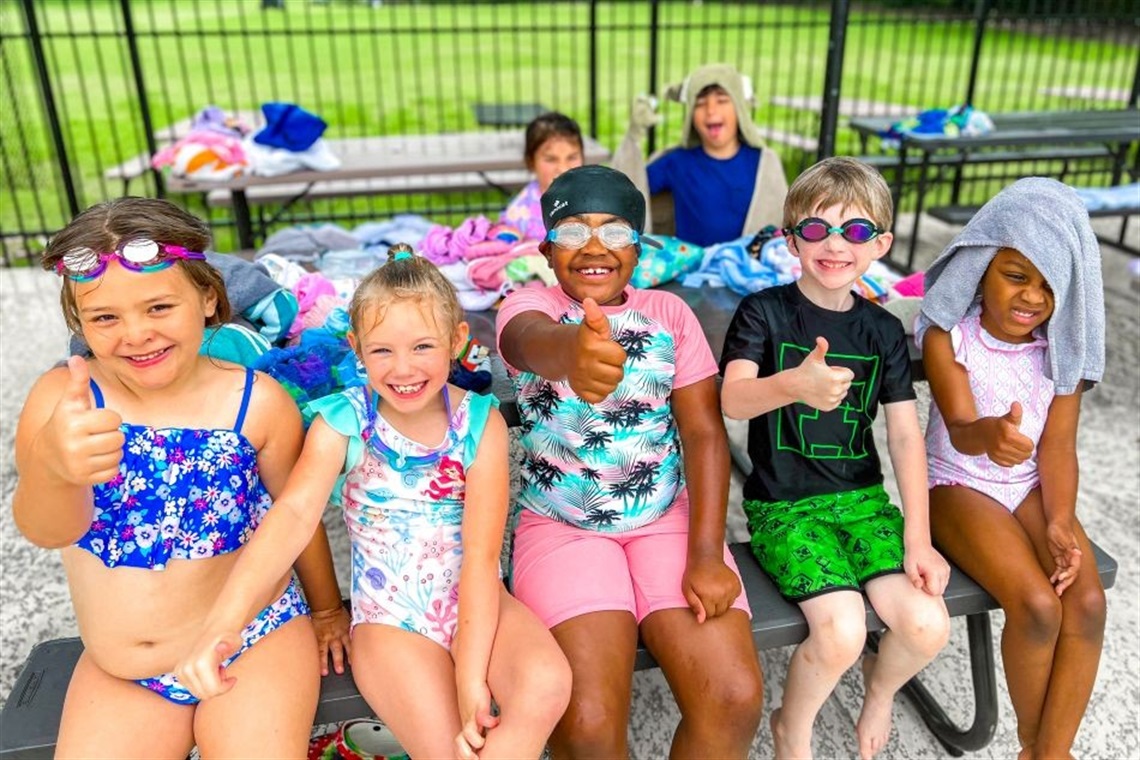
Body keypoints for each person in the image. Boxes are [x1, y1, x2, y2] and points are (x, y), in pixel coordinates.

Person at [176, 243, 572, 760]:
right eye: (382, 350)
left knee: (546, 684)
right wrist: (224, 624)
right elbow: (292, 516)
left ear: (457, 340)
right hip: (391, 621)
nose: (403, 369)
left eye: (422, 347)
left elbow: (480, 559)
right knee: (450, 751)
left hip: (479, 601)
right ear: (356, 347)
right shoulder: (343, 422)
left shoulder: (480, 421)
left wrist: (470, 677)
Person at [12, 198, 333, 757]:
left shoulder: (257, 403)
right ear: (79, 320)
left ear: (207, 298)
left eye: (159, 307)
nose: (136, 334)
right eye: (105, 317)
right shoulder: (62, 404)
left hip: (255, 641)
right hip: (122, 670)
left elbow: (297, 517)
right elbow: (47, 530)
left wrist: (328, 610)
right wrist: (55, 469)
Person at [497, 164, 764, 758]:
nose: (595, 247)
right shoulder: (529, 306)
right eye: (573, 232)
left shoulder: (669, 315)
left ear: (640, 249)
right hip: (563, 527)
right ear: (546, 250)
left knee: (734, 697)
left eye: (615, 232)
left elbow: (704, 433)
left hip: (668, 521)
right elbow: (527, 340)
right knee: (587, 723)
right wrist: (574, 350)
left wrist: (706, 553)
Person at [720, 157, 950, 760]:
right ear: (792, 239)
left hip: (864, 505)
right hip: (785, 510)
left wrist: (919, 540)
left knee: (928, 624)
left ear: (880, 244)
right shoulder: (762, 311)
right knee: (842, 630)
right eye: (818, 229)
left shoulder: (883, 330)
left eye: (856, 231)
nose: (835, 245)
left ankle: (880, 691)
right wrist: (792, 386)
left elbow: (905, 438)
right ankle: (792, 727)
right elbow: (733, 400)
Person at [918, 177, 1106, 760]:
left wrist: (1060, 519)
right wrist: (990, 435)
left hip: (1027, 487)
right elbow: (959, 425)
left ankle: (1050, 753)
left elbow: (1058, 448)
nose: (1032, 298)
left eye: (1050, 286)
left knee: (1087, 603)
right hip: (956, 483)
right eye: (1017, 275)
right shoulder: (951, 338)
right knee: (1039, 607)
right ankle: (1033, 744)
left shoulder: (1059, 354)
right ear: (981, 268)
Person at [612, 62, 788, 247]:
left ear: (739, 108)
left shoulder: (763, 162)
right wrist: (632, 138)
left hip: (750, 263)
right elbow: (625, 190)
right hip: (693, 263)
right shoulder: (677, 162)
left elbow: (782, 221)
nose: (711, 110)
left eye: (722, 100)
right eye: (700, 103)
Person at [500, 111, 585, 240]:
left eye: (572, 157)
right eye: (551, 159)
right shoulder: (519, 216)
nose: (563, 168)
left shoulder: (597, 198)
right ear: (531, 162)